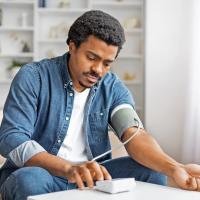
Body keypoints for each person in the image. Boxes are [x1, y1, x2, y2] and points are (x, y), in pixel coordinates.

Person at [0, 10, 200, 200]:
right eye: (91, 58)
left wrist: (174, 168)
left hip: (92, 179)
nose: (98, 70)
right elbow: (12, 137)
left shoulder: (112, 87)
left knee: (152, 172)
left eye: (107, 63)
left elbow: (135, 135)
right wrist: (69, 168)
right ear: (72, 46)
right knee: (29, 180)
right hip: (44, 174)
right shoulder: (34, 76)